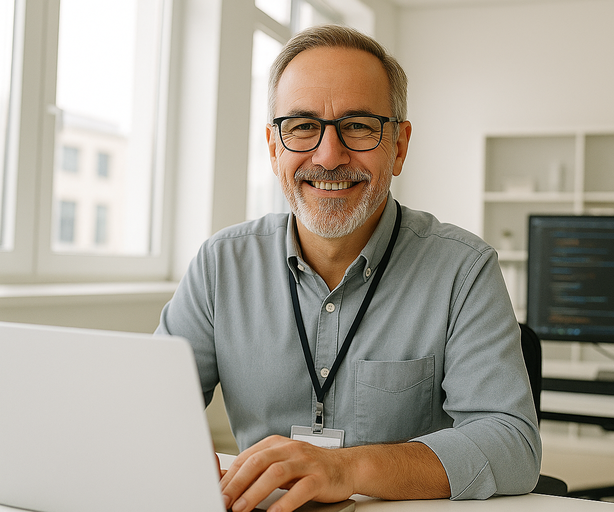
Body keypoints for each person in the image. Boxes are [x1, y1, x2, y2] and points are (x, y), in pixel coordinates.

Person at [156, 24, 541, 512]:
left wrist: (347, 468)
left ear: (398, 146)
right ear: (275, 148)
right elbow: (148, 413)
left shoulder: (463, 270)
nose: (329, 155)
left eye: (358, 125)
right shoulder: (220, 265)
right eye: (301, 126)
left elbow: (513, 446)